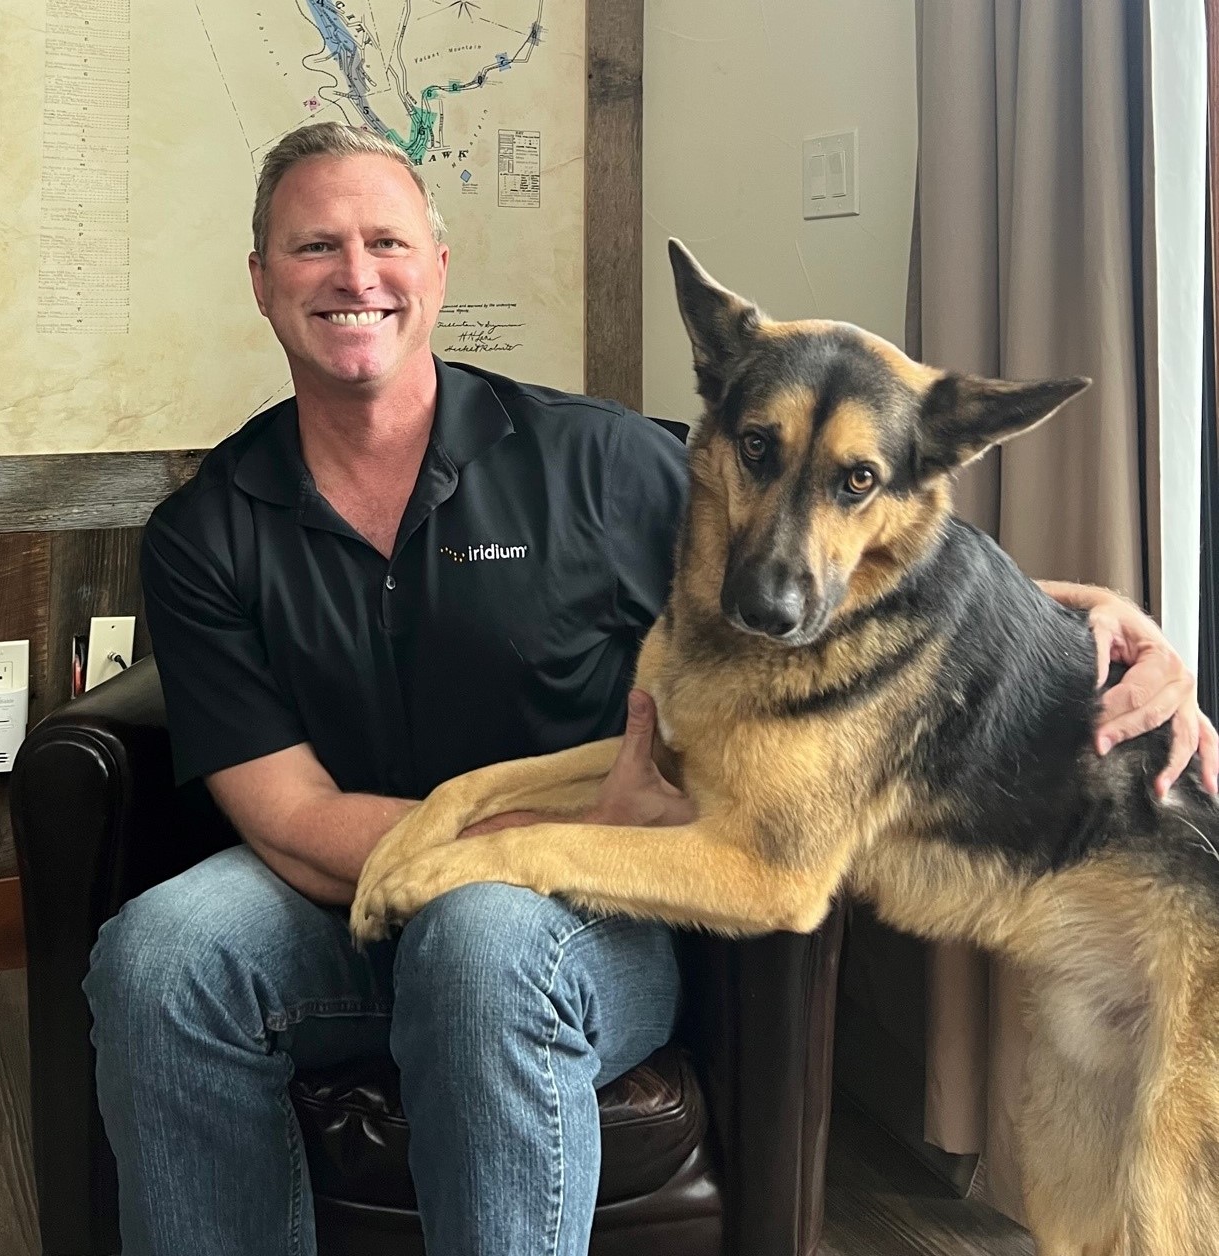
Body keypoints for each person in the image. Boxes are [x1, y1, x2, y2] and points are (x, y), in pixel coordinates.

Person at [83, 122, 1215, 1256]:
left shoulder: (597, 461)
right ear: (261, 281)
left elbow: (837, 549)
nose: (354, 273)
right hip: (346, 897)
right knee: (158, 953)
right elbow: (289, 823)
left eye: (385, 239)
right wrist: (505, 832)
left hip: (571, 924)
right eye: (311, 246)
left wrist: (1084, 614)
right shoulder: (205, 529)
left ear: (437, 264)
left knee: (479, 936)